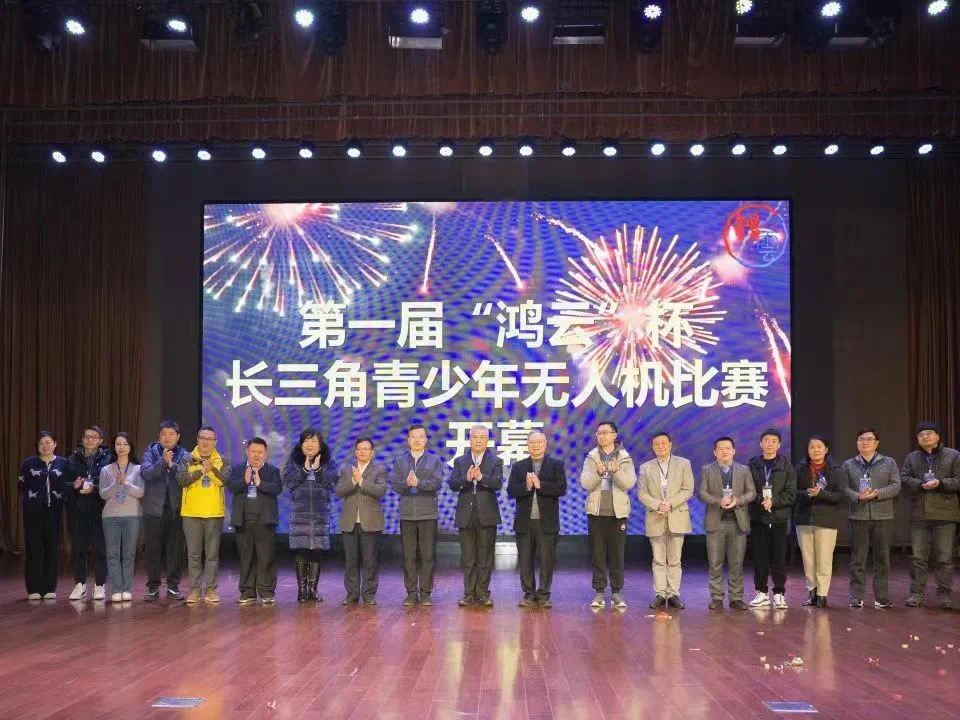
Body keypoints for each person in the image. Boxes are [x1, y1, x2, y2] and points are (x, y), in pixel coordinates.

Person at [901, 422, 960, 609]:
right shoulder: (912, 457)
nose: (925, 437)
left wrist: (940, 483)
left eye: (929, 433)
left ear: (937, 437)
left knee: (944, 557)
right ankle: (916, 594)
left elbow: (958, 480)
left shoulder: (953, 455)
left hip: (946, 514)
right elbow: (904, 478)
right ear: (917, 439)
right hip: (920, 513)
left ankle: (945, 595)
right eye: (921, 435)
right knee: (918, 557)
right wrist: (920, 484)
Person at [579, 420, 637, 610]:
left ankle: (616, 593)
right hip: (596, 513)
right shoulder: (592, 457)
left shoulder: (625, 457)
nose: (601, 436)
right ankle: (599, 592)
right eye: (599, 433)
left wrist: (617, 471)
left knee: (617, 555)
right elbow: (585, 483)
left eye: (605, 432)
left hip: (618, 514)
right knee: (597, 554)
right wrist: (598, 473)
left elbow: (629, 483)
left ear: (614, 435)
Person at [507, 430, 568, 608]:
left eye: (539, 442)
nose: (536, 445)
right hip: (524, 522)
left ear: (545, 444)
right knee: (525, 559)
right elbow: (511, 491)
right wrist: (526, 486)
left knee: (546, 560)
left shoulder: (556, 465)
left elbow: (561, 488)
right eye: (532, 442)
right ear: (527, 445)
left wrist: (541, 485)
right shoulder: (519, 466)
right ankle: (529, 593)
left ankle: (543, 594)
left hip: (547, 522)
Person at [842, 427, 901, 609]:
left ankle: (881, 597)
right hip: (858, 517)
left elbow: (896, 485)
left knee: (882, 559)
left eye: (869, 439)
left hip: (883, 516)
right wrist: (857, 496)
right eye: (861, 439)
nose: (865, 442)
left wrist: (877, 494)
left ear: (877, 443)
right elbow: (843, 488)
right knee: (858, 560)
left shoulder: (889, 462)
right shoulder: (848, 465)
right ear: (857, 443)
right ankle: (856, 597)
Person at [637, 431, 694, 610]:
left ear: (670, 445)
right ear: (653, 447)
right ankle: (660, 594)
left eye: (663, 443)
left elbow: (688, 489)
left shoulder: (684, 463)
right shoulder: (645, 467)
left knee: (675, 559)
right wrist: (657, 504)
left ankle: (673, 594)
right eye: (657, 444)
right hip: (656, 516)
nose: (660, 446)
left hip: (677, 515)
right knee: (658, 559)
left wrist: (670, 504)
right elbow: (642, 493)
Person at [389, 424, 444, 606]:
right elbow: (394, 485)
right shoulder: (400, 461)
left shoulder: (434, 461)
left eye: (421, 436)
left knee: (427, 556)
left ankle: (426, 593)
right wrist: (407, 483)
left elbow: (437, 484)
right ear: (408, 440)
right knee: (409, 556)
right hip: (407, 515)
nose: (417, 439)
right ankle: (411, 593)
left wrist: (419, 483)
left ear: (426, 440)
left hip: (428, 514)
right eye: (413, 436)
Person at [698, 436, 755, 610]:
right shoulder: (707, 470)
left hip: (738, 523)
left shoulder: (744, 470)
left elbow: (751, 492)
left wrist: (737, 500)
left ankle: (736, 598)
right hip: (716, 522)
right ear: (715, 452)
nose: (724, 451)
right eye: (721, 449)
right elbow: (702, 493)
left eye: (728, 448)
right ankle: (716, 597)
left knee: (737, 563)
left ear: (734, 451)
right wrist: (718, 501)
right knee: (715, 564)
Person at [450, 425, 504, 607]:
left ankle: (483, 593)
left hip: (487, 515)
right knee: (468, 558)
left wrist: (481, 478)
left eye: (482, 437)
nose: (478, 440)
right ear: (470, 439)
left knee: (485, 558)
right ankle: (468, 593)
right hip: (466, 514)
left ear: (487, 440)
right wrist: (466, 479)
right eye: (475, 437)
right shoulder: (460, 461)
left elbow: (497, 484)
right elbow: (453, 484)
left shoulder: (495, 461)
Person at [283, 428, 338, 603]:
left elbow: (332, 484)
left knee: (316, 550)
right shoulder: (294, 461)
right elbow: (288, 482)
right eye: (306, 441)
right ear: (301, 444)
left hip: (320, 513)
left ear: (320, 445)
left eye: (313, 441)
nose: (309, 444)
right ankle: (301, 591)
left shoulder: (328, 462)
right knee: (302, 550)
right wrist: (305, 470)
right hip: (300, 512)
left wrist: (319, 470)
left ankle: (312, 590)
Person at [226, 437, 283, 604]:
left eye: (260, 452)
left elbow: (277, 488)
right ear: (247, 452)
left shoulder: (272, 471)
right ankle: (247, 592)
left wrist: (260, 483)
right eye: (253, 451)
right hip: (243, 520)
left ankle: (266, 592)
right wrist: (244, 481)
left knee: (266, 558)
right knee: (246, 558)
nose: (256, 455)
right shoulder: (238, 469)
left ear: (265, 453)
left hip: (265, 521)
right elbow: (231, 486)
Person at [140, 420, 190, 601]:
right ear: (159, 436)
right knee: (152, 550)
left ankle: (173, 587)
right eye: (164, 434)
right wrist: (162, 462)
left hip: (176, 509)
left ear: (178, 436)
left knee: (175, 550)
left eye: (171, 434)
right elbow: (146, 474)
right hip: (153, 509)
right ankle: (153, 587)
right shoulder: (150, 453)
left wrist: (171, 465)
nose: (167, 438)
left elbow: (186, 478)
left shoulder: (185, 455)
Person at [747, 429, 797, 609]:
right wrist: (761, 500)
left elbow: (791, 494)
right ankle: (761, 592)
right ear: (761, 443)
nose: (769, 443)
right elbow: (748, 489)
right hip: (758, 517)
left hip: (779, 519)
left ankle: (779, 593)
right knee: (759, 557)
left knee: (779, 557)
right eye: (766, 440)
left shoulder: (786, 466)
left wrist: (773, 501)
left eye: (773, 441)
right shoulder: (752, 464)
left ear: (779, 445)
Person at [793, 436, 846, 608]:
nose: (815, 450)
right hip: (804, 519)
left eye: (819, 446)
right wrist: (807, 493)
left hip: (826, 520)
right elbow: (792, 492)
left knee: (824, 559)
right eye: (812, 447)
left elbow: (841, 495)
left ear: (826, 449)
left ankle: (822, 595)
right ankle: (812, 592)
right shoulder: (800, 468)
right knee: (808, 559)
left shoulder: (835, 470)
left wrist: (821, 494)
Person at [335, 436, 388, 605]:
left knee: (370, 560)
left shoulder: (379, 469)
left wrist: (362, 481)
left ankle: (369, 594)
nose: (363, 451)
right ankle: (352, 594)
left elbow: (381, 490)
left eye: (366, 449)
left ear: (372, 452)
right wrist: (353, 481)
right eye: (359, 449)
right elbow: (339, 491)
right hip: (349, 522)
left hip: (370, 521)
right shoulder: (346, 469)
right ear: (355, 451)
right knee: (351, 560)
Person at [177, 426, 227, 604]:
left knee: (212, 555)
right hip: (191, 513)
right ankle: (195, 590)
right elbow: (182, 480)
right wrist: (200, 471)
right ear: (197, 439)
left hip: (214, 513)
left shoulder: (223, 460)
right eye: (202, 438)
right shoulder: (186, 459)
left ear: (215, 442)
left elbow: (225, 481)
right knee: (193, 555)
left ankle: (211, 590)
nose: (206, 442)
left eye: (210, 439)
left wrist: (212, 470)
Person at [19, 431, 70, 600]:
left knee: (52, 549)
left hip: (54, 512)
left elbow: (68, 484)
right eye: (41, 443)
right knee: (34, 549)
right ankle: (33, 588)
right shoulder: (28, 463)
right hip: (33, 513)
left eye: (48, 442)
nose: (45, 446)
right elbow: (22, 485)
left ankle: (49, 587)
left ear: (55, 443)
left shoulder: (63, 463)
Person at [66, 425, 111, 602]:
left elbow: (110, 483)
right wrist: (74, 485)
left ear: (101, 440)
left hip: (100, 509)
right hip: (78, 510)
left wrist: (95, 487)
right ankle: (80, 584)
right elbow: (64, 483)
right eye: (87, 436)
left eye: (94, 437)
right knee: (79, 549)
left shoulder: (108, 459)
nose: (90, 440)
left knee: (100, 549)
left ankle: (100, 584)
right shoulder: (72, 459)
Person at [99, 433, 144, 602]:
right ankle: (116, 589)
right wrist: (115, 484)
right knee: (112, 554)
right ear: (114, 447)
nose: (122, 447)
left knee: (129, 554)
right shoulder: (106, 470)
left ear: (130, 447)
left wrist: (125, 482)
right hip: (110, 517)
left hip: (132, 516)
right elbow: (103, 494)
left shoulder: (138, 469)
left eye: (125, 444)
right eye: (118, 444)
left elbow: (140, 492)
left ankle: (127, 589)